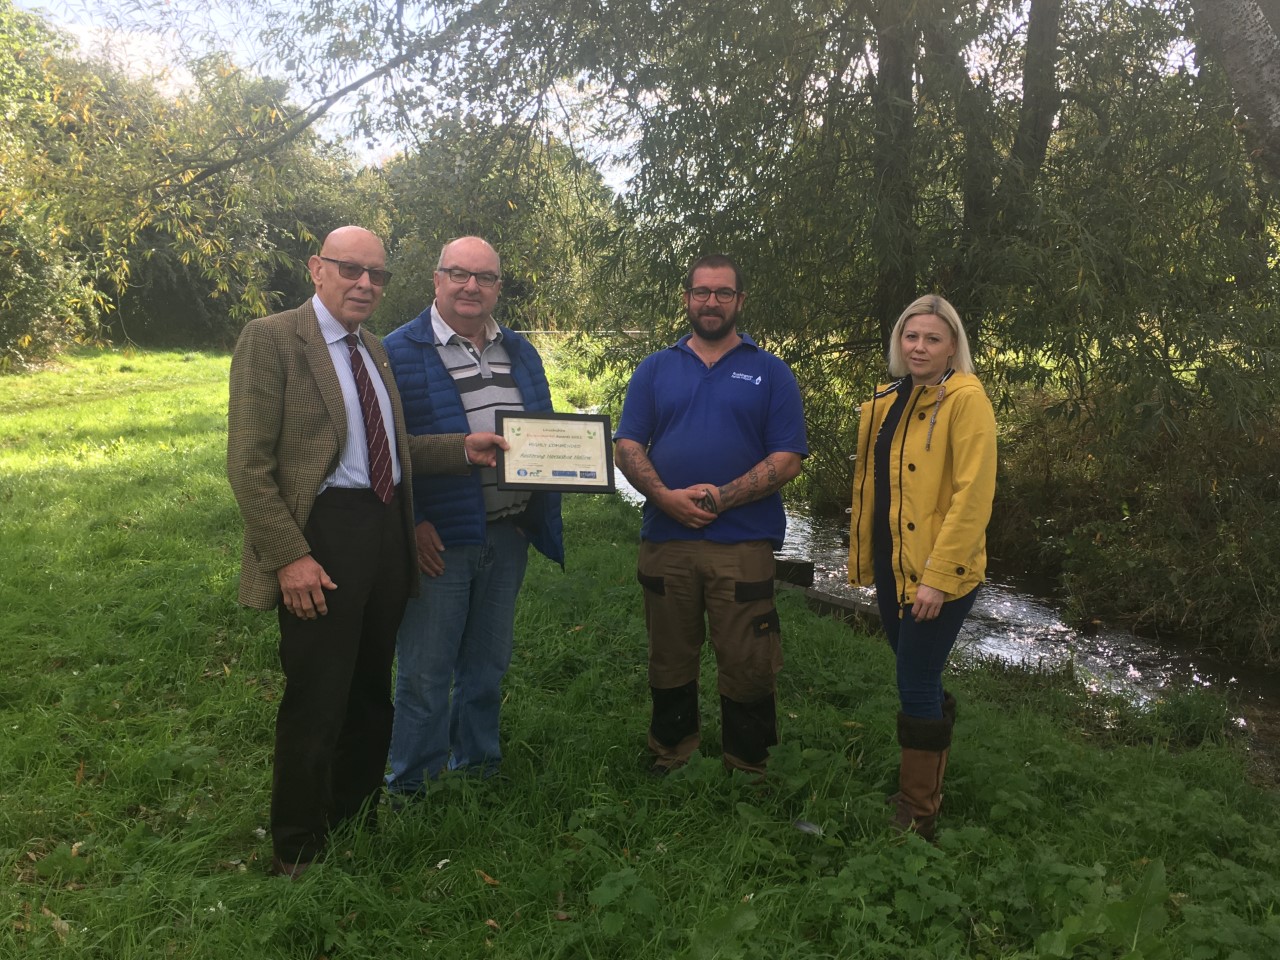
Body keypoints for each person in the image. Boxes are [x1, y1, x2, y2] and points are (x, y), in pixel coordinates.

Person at [227, 226, 506, 877]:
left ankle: (353, 820)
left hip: (384, 532)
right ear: (316, 268)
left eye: (377, 274)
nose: (365, 284)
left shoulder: (372, 349)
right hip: (321, 535)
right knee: (317, 693)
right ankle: (297, 845)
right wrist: (289, 555)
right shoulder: (272, 339)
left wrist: (462, 449)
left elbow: (393, 450)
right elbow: (248, 466)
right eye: (351, 269)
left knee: (371, 688)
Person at [614, 254, 808, 776]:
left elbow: (787, 458)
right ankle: (671, 754)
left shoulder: (770, 372)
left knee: (749, 657)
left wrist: (721, 498)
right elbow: (627, 446)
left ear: (740, 301)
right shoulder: (655, 368)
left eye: (723, 293)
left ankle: (749, 764)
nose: (711, 302)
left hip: (742, 543)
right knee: (669, 654)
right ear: (687, 299)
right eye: (702, 292)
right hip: (666, 539)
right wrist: (665, 497)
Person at [382, 236, 563, 793]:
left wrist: (562, 474)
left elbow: (544, 431)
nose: (471, 286)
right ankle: (413, 785)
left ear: (497, 288)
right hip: (439, 538)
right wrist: (410, 523)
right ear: (437, 280)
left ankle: (478, 769)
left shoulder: (520, 351)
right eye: (459, 273)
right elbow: (380, 451)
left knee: (486, 667)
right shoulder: (396, 352)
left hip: (507, 534)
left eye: (484, 277)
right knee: (425, 672)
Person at [848, 294, 997, 841]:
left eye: (933, 338)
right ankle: (927, 778)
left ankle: (918, 812)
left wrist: (937, 577)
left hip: (939, 574)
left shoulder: (966, 401)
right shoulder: (894, 399)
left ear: (952, 346)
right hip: (896, 565)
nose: (919, 347)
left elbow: (973, 498)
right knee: (918, 672)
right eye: (911, 336)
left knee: (913, 677)